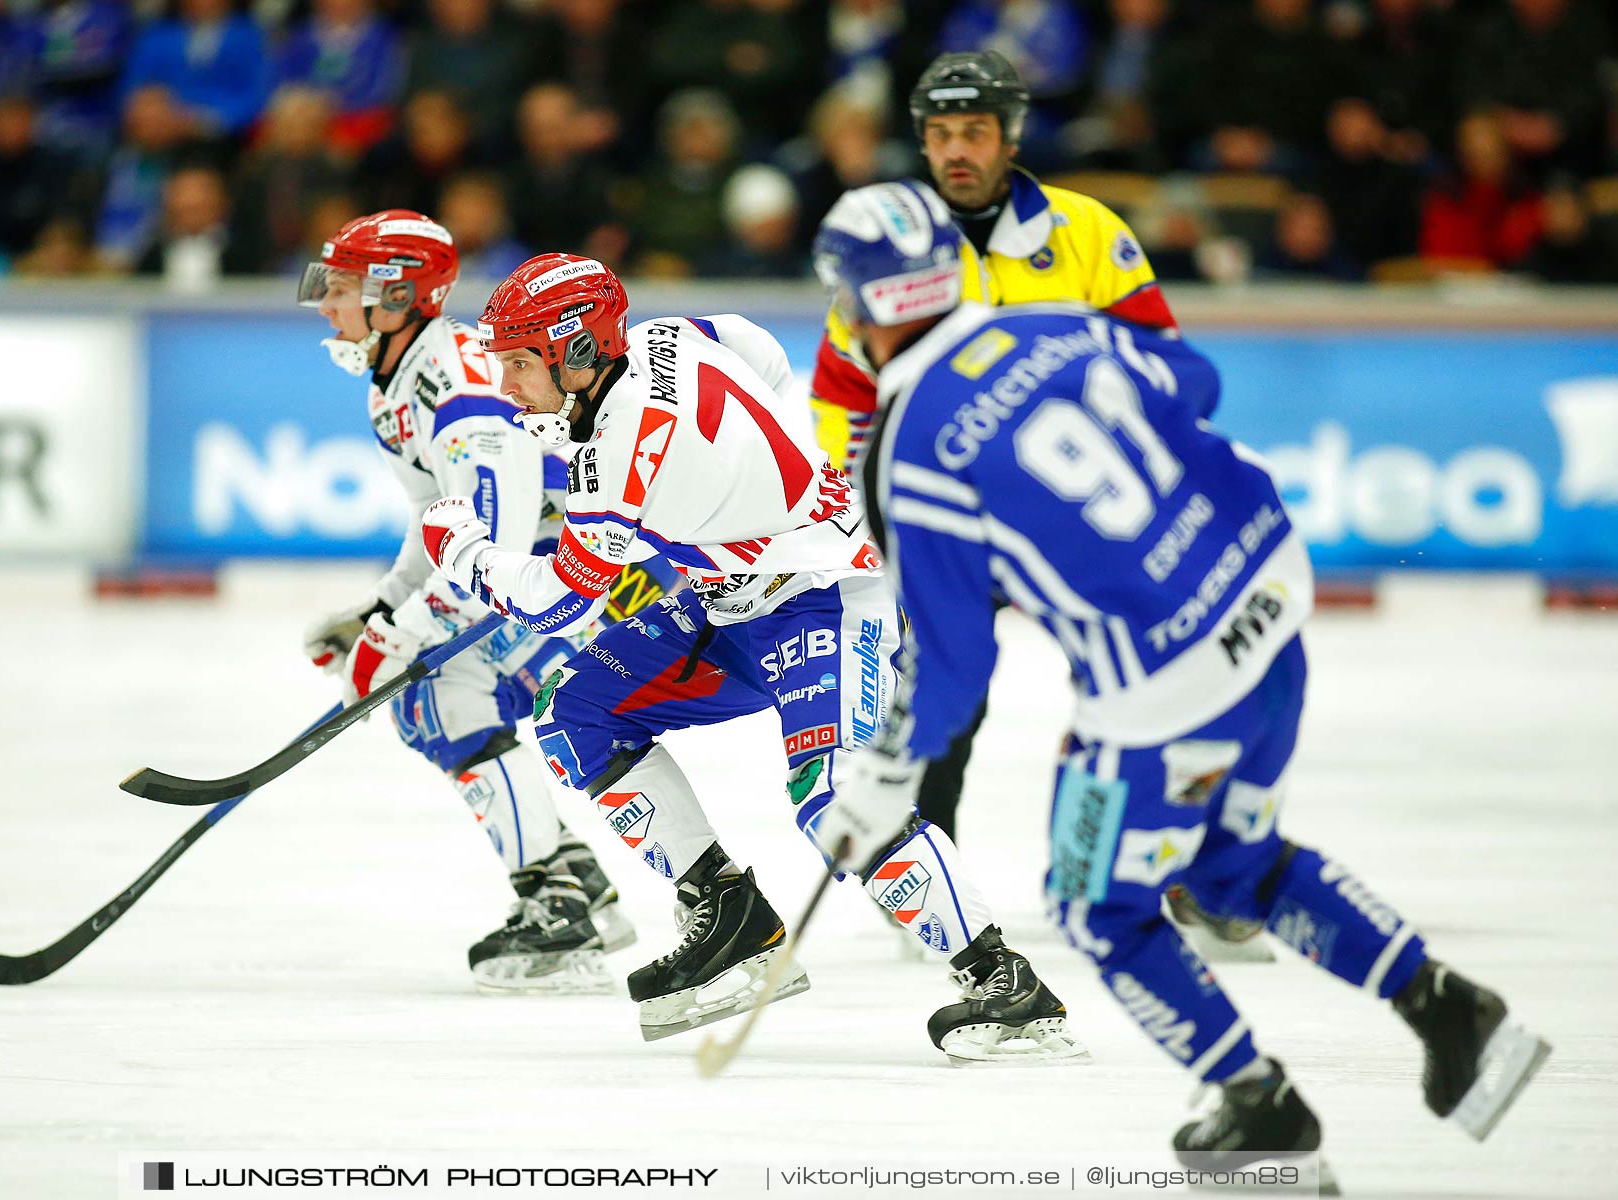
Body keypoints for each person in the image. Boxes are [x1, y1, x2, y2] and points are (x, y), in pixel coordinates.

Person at [813, 180, 1551, 1183]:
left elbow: (953, 663)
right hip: (1267, 602)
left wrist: (881, 781)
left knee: (1094, 907)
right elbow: (1194, 384)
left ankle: (1257, 1103)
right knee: (1232, 864)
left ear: (857, 305)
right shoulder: (1062, 326)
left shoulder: (907, 450)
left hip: (1166, 688)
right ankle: (1451, 1010)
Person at [415, 252, 1087, 1064]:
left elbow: (554, 603)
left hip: (830, 597)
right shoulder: (668, 338)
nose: (509, 385)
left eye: (521, 364)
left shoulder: (618, 465)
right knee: (575, 714)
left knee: (836, 802)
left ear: (580, 352)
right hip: (732, 596)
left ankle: (1005, 984)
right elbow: (752, 344)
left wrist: (461, 548)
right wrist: (741, 494)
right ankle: (729, 912)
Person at [808, 50, 1176, 853]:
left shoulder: (1085, 231)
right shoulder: (888, 244)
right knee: (940, 678)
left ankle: (1182, 861)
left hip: (1084, 505)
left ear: (1010, 136)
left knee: (1148, 681)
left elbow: (1159, 360)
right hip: (955, 515)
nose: (956, 151)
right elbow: (842, 397)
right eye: (940, 134)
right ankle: (932, 868)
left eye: (974, 131)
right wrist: (868, 511)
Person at [295, 211, 636, 994]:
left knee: (441, 695)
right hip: (560, 564)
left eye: (342, 289)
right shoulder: (408, 374)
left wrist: (402, 636)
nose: (325, 305)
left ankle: (557, 909)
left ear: (399, 297)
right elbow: (442, 525)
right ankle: (577, 886)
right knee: (429, 695)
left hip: (598, 573)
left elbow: (495, 540)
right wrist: (381, 612)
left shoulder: (458, 389)